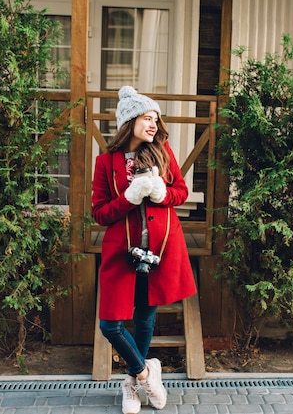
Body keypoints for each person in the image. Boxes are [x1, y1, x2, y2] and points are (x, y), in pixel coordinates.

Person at [91, 86, 198, 414]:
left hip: (161, 250)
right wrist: (130, 197)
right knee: (110, 325)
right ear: (129, 121)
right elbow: (99, 213)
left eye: (155, 118)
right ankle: (145, 373)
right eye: (146, 117)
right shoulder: (106, 162)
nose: (153, 123)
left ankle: (131, 385)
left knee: (146, 317)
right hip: (122, 254)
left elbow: (182, 192)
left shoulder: (163, 153)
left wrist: (162, 193)